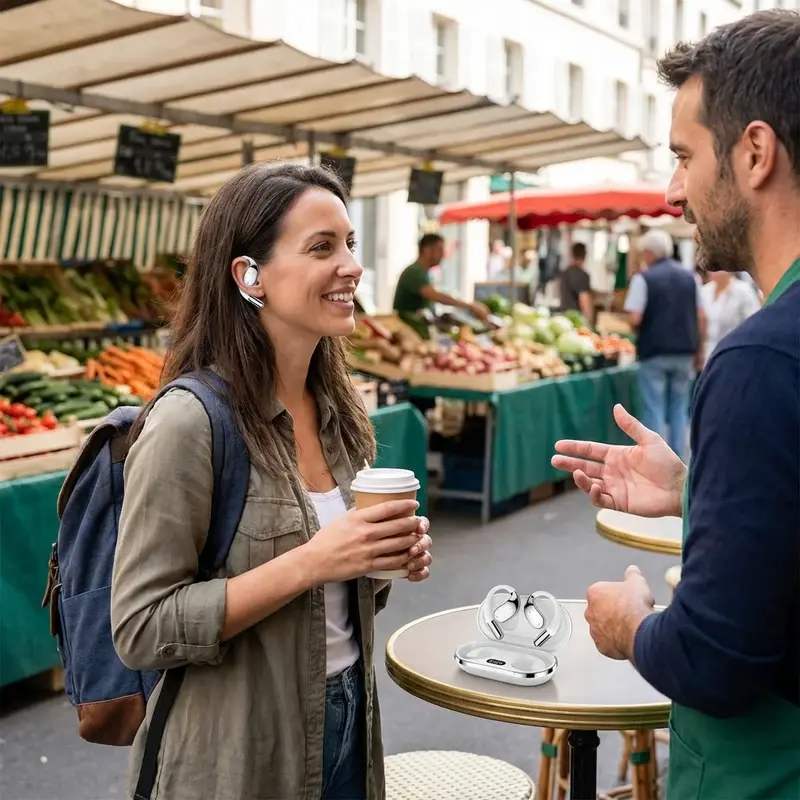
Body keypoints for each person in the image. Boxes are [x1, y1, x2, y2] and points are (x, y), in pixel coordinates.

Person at [111, 164, 433, 800]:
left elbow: (339, 600)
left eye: (350, 244)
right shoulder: (189, 422)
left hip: (351, 723)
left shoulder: (341, 413)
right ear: (249, 275)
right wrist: (314, 561)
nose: (351, 267)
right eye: (321, 247)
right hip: (236, 753)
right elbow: (141, 627)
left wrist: (379, 560)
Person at [553, 10, 800, 799]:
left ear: (755, 152)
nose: (672, 192)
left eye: (685, 157)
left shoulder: (761, 359)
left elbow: (714, 660)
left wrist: (628, 623)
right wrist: (697, 488)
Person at [623, 229, 705, 459]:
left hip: (654, 351)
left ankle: (657, 459)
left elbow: (634, 318)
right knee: (679, 406)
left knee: (654, 406)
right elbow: (701, 316)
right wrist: (699, 349)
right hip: (685, 351)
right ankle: (679, 458)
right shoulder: (691, 278)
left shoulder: (643, 279)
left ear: (649, 253)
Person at [393, 233, 490, 338]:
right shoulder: (414, 272)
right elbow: (437, 296)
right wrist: (470, 306)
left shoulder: (424, 272)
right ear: (427, 250)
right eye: (439, 249)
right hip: (410, 331)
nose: (443, 254)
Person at [701, 271, 760, 360]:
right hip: (707, 353)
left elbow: (753, 323)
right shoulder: (705, 291)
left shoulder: (743, 291)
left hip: (733, 352)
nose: (713, 271)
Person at [559, 242, 594, 322]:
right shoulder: (582, 275)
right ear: (585, 255)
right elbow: (584, 301)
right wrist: (589, 323)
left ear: (572, 254)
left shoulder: (565, 272)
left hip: (564, 318)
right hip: (576, 320)